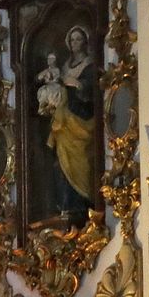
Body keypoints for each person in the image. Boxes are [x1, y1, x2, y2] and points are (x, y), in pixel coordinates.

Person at [37, 25, 97, 226]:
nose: (75, 43)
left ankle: (80, 204)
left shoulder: (89, 65)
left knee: (80, 160)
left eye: (79, 39)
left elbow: (89, 91)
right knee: (59, 163)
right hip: (63, 122)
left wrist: (79, 86)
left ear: (85, 42)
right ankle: (65, 205)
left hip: (80, 119)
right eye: (72, 40)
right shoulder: (63, 67)